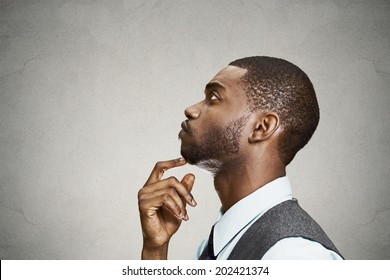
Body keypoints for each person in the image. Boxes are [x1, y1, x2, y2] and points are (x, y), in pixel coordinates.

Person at [138, 56, 343, 260]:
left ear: (262, 127)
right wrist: (154, 249)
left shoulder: (294, 255)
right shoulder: (218, 246)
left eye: (214, 98)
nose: (191, 110)